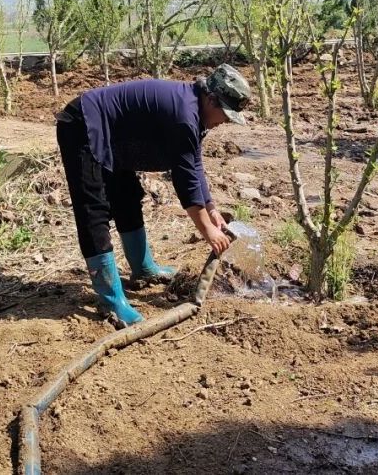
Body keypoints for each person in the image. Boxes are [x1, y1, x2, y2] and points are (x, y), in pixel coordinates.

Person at [56, 63, 252, 327]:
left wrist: (212, 209)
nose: (224, 122)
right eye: (225, 115)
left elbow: (193, 164)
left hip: (116, 137)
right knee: (93, 210)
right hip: (84, 125)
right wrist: (207, 230)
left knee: (126, 195)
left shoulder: (195, 111)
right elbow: (184, 179)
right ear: (211, 98)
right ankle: (111, 298)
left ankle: (143, 267)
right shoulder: (184, 114)